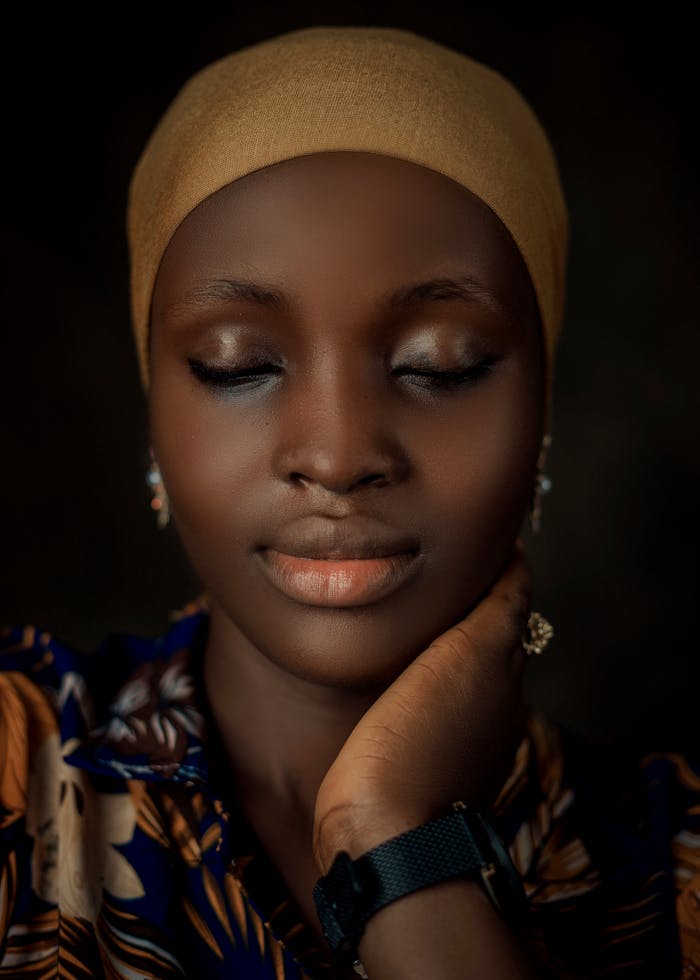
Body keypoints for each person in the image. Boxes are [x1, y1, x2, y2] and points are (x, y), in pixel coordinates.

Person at [0, 24, 697, 980]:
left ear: (540, 419)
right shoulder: (13, 770)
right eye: (236, 365)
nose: (335, 457)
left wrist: (399, 844)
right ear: (154, 416)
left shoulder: (677, 868)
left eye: (439, 366)